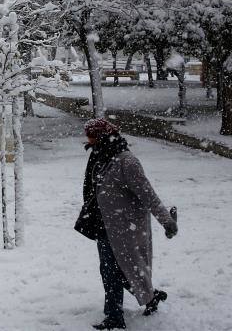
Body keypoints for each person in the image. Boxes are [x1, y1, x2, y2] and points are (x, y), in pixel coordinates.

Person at [75, 118, 178, 330]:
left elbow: (148, 195)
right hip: (104, 224)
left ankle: (115, 317)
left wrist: (166, 220)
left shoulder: (126, 161)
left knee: (117, 271)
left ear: (102, 136)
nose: (89, 140)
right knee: (111, 271)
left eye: (92, 136)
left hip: (124, 228)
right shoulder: (100, 156)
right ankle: (149, 298)